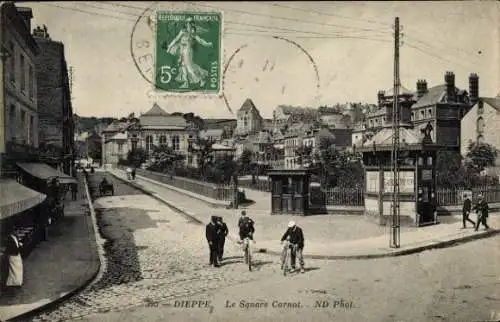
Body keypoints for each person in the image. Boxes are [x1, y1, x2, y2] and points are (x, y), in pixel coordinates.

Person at [166, 17, 213, 88]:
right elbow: (176, 39)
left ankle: (201, 79)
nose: (189, 24)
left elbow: (200, 40)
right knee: (182, 66)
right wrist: (170, 46)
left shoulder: (193, 33)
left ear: (192, 24)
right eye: (187, 23)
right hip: (181, 50)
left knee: (189, 66)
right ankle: (186, 82)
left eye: (190, 23)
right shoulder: (183, 31)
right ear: (186, 24)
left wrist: (207, 44)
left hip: (188, 51)